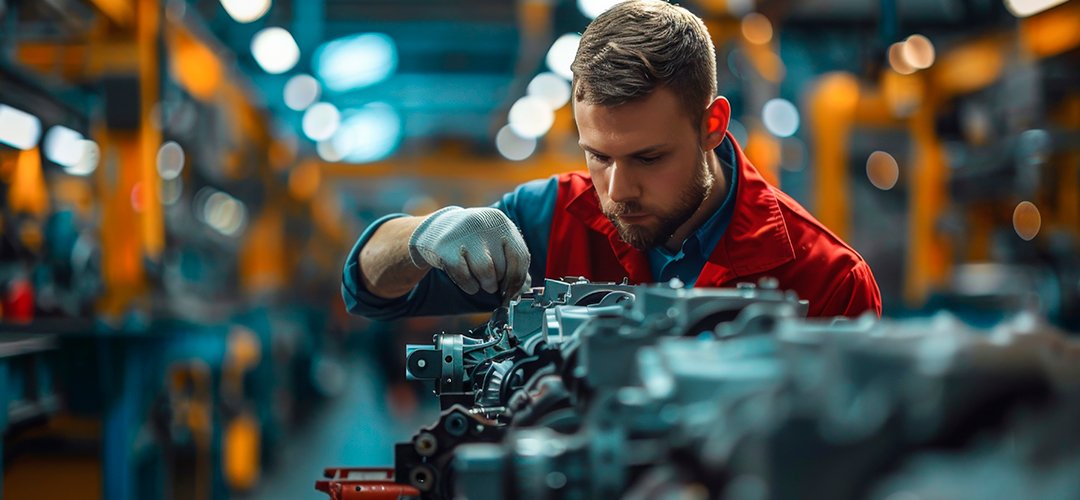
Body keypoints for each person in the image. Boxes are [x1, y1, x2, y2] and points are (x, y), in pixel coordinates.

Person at [342, 0, 881, 320]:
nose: (618, 190)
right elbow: (367, 289)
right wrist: (422, 236)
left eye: (649, 157)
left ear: (711, 125)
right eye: (598, 155)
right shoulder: (549, 218)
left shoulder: (826, 280)